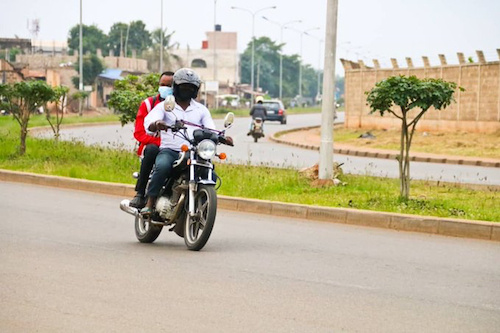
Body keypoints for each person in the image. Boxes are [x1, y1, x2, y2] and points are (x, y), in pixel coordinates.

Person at [141, 68, 229, 216]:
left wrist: (221, 136)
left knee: (211, 175)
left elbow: (210, 128)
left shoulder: (201, 109)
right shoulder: (166, 105)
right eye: (183, 86)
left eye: (191, 87)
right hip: (170, 150)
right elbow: (149, 122)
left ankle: (202, 206)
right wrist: (157, 123)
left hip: (193, 152)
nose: (187, 90)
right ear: (176, 87)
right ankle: (150, 202)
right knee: (162, 166)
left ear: (195, 90)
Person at [129, 71, 174, 208]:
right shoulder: (148, 104)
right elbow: (139, 133)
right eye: (162, 85)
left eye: (169, 85)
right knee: (151, 150)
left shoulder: (182, 106)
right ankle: (140, 193)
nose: (165, 88)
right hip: (154, 146)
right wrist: (161, 143)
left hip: (174, 148)